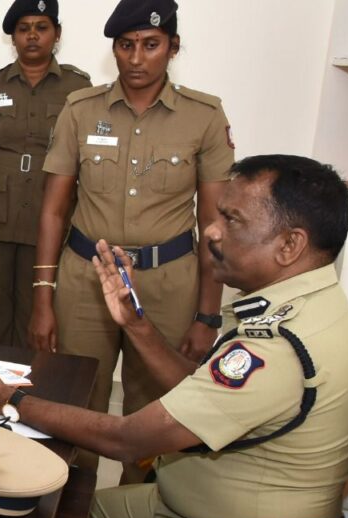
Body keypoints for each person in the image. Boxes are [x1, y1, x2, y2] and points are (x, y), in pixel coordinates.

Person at [0, 155, 348, 518]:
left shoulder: (279, 347)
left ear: (289, 245)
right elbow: (200, 394)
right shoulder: (302, 304)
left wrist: (8, 399)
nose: (214, 232)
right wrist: (136, 325)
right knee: (46, 515)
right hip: (195, 510)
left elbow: (127, 440)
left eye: (232, 219)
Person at [29, 0, 235, 415]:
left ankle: (137, 484)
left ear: (173, 47)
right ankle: (79, 483)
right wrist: (42, 297)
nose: (136, 58)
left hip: (166, 286)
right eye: (125, 45)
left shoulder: (204, 116)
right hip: (86, 280)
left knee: (156, 409)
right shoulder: (81, 110)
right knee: (77, 402)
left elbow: (213, 224)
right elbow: (53, 211)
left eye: (151, 44)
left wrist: (207, 316)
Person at [0, 0, 90, 347]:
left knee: (37, 327)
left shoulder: (78, 89)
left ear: (56, 34)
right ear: (13, 36)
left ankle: (26, 400)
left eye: (41, 27)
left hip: (48, 223)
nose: (32, 36)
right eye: (23, 28)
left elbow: (87, 166)